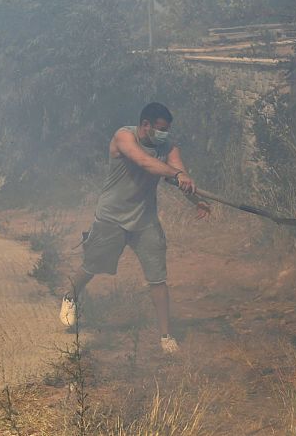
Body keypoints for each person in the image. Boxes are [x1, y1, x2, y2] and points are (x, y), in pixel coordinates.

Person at [59, 102, 209, 354]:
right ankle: (70, 296)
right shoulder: (124, 137)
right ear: (145, 125)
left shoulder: (169, 148)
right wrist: (177, 175)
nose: (163, 134)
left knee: (157, 278)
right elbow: (146, 163)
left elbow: (181, 175)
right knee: (93, 265)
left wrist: (197, 199)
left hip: (145, 220)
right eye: (160, 129)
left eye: (167, 130)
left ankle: (166, 336)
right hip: (112, 217)